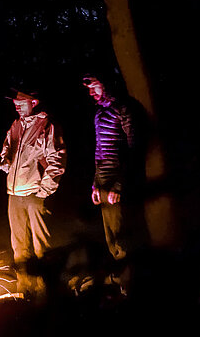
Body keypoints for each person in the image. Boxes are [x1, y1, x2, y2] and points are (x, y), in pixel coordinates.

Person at [0, 88, 65, 297]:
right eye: (15, 103)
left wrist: (44, 191)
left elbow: (57, 159)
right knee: (18, 246)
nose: (17, 106)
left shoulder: (46, 126)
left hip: (36, 194)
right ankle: (24, 290)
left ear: (34, 102)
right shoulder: (16, 126)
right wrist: (5, 161)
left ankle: (46, 293)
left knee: (41, 247)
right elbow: (6, 150)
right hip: (15, 192)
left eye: (21, 103)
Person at [84, 74, 139, 290]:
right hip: (103, 179)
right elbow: (99, 151)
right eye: (89, 89)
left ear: (106, 85)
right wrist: (95, 184)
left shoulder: (122, 109)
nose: (91, 93)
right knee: (111, 239)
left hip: (118, 178)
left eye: (94, 87)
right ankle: (121, 285)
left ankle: (130, 288)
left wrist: (119, 185)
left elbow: (132, 149)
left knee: (121, 239)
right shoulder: (99, 113)